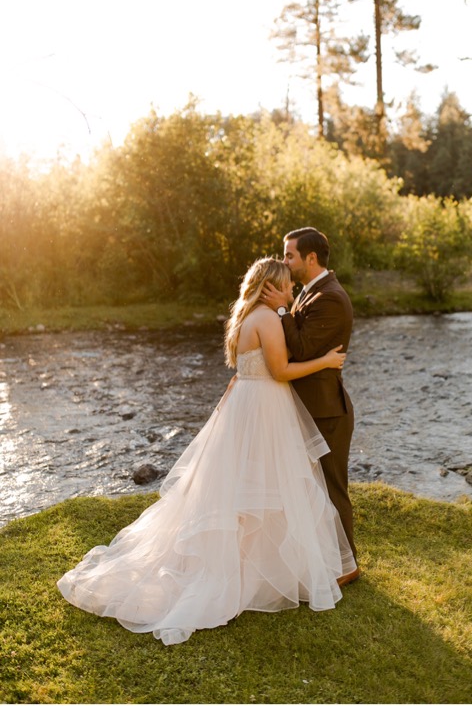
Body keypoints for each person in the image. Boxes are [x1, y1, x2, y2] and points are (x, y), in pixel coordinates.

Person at [57, 258, 357, 645]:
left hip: (247, 404)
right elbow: (281, 371)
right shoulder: (268, 318)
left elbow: (244, 370)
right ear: (270, 287)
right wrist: (327, 361)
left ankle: (256, 561)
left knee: (247, 488)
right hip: (265, 406)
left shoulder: (246, 317)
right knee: (270, 486)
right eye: (284, 286)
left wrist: (283, 311)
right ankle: (256, 569)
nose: (291, 292)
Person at [261, 227, 359, 583]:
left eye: (289, 256)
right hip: (308, 407)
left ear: (310, 258)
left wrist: (282, 309)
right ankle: (324, 560)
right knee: (309, 487)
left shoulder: (330, 298)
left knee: (332, 487)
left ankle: (348, 568)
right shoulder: (310, 292)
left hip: (327, 411)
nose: (285, 262)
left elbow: (301, 348)